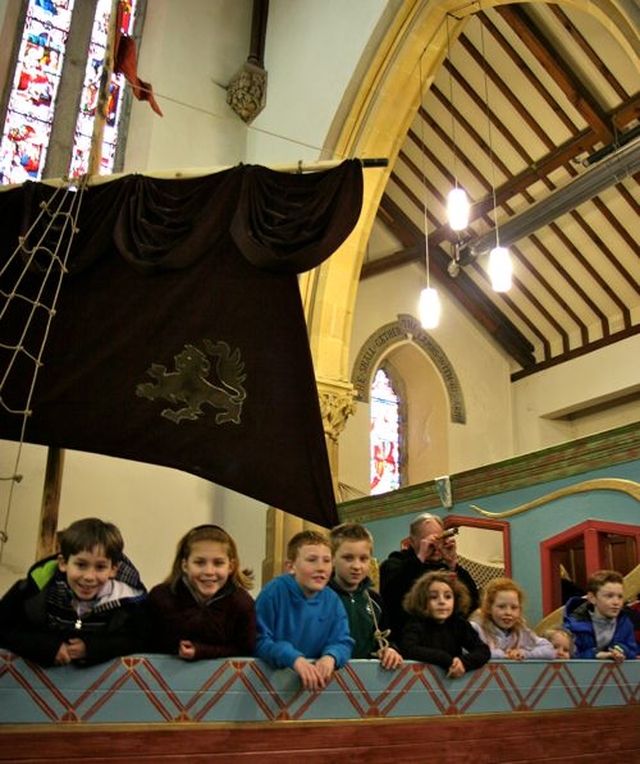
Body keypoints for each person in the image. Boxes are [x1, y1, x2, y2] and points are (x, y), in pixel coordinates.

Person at [0, 517, 146, 667]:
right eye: (81, 565)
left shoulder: (130, 603)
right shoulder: (32, 592)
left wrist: (93, 648)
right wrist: (46, 646)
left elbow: (141, 640)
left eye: (100, 567)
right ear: (63, 563)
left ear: (113, 570)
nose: (89, 577)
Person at [255, 529, 354, 691]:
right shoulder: (273, 592)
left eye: (327, 561)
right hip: (270, 687)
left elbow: (343, 641)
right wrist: (293, 658)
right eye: (312, 560)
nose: (321, 568)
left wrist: (331, 657)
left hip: (317, 689)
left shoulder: (333, 600)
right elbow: (258, 639)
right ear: (290, 566)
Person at [144, 524, 256, 660]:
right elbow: (142, 644)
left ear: (231, 566)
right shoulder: (160, 598)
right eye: (199, 562)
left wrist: (203, 651)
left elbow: (246, 649)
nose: (209, 571)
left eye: (218, 563)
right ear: (185, 565)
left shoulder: (242, 604)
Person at [379, 513, 480, 637]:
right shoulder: (395, 564)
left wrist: (452, 564)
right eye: (430, 541)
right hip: (408, 638)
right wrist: (420, 557)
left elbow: (472, 603)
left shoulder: (445, 568)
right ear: (412, 541)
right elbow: (392, 596)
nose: (436, 546)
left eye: (440, 539)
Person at [328, 522, 403, 670]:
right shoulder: (319, 596)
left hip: (366, 680)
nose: (357, 566)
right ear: (332, 558)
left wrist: (391, 650)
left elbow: (388, 637)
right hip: (326, 677)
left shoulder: (375, 600)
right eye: (348, 558)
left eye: (363, 559)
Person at [399, 571, 490, 677]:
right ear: (422, 601)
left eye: (448, 597)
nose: (442, 601)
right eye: (433, 597)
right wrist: (446, 660)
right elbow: (408, 649)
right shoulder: (415, 624)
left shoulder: (459, 624)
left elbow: (483, 650)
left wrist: (463, 663)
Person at [470, 578, 555, 659]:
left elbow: (549, 650)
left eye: (514, 608)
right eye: (501, 607)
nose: (508, 612)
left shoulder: (521, 631)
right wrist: (503, 655)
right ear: (489, 608)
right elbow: (467, 651)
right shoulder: (476, 629)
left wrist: (524, 653)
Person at [563, 569, 637, 661]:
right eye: (609, 596)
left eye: (620, 596)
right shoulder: (573, 626)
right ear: (592, 598)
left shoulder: (625, 623)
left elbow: (633, 651)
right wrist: (596, 654)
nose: (616, 602)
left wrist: (620, 649)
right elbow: (571, 657)